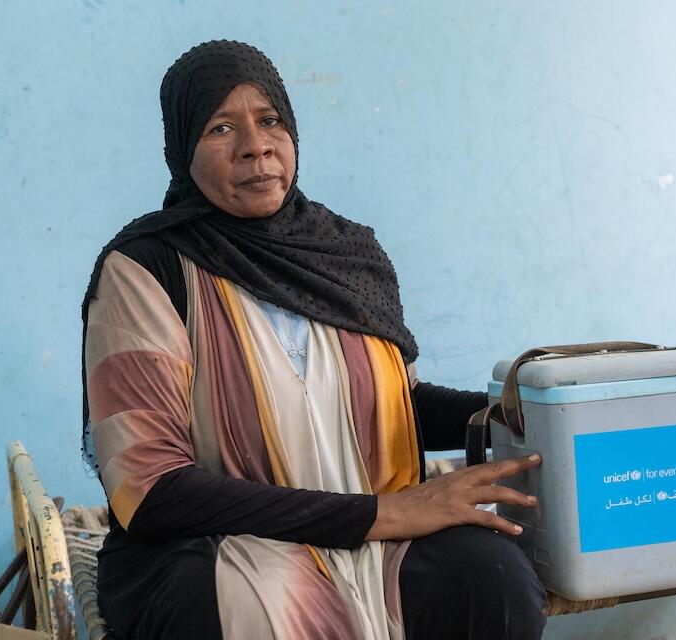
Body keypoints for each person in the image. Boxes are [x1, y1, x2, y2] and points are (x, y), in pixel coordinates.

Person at [82, 40, 546, 640]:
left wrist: (515, 418)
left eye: (269, 120)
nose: (256, 145)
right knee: (216, 603)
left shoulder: (346, 256)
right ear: (182, 150)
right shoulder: (149, 269)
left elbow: (387, 404)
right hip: (231, 541)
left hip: (375, 538)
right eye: (222, 128)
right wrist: (382, 513)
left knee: (492, 578)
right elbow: (153, 491)